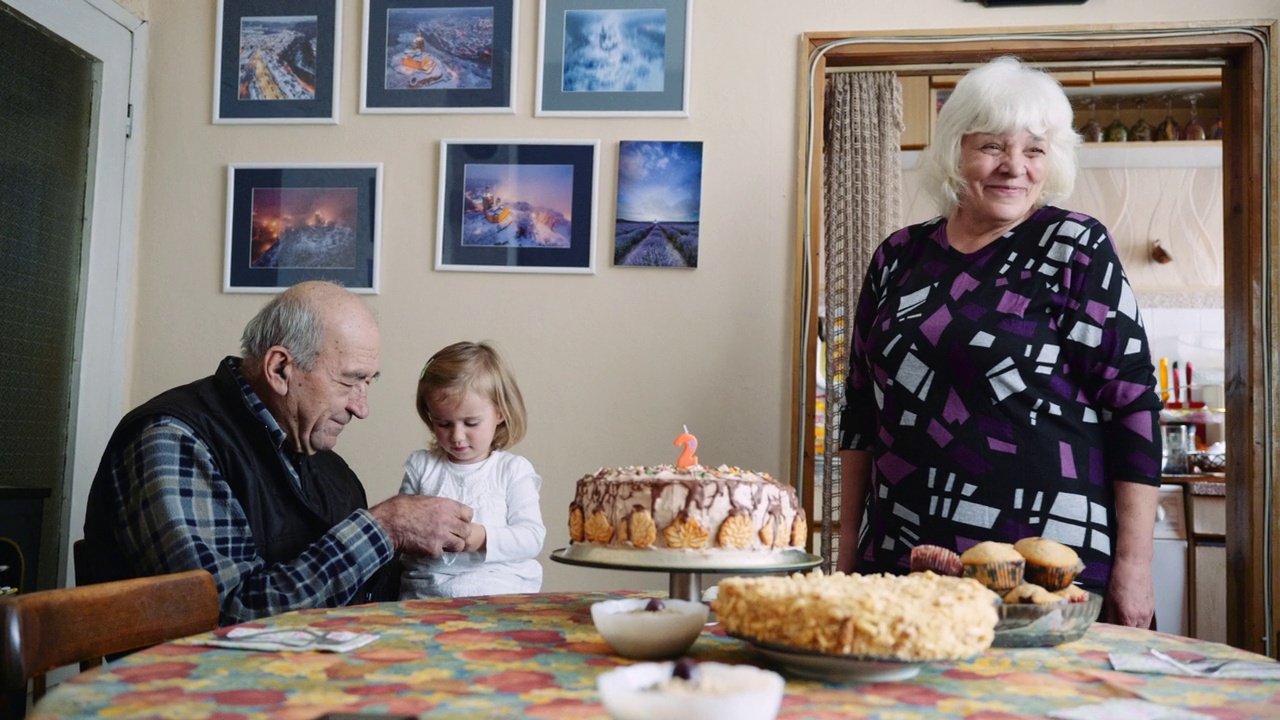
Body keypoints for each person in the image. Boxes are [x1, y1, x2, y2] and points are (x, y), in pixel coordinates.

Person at [835, 57, 1162, 629]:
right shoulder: (897, 257)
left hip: (1042, 567)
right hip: (902, 555)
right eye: (991, 146)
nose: (1014, 167)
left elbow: (1131, 408)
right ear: (955, 151)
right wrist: (846, 555)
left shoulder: (1074, 247)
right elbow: (861, 412)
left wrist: (1134, 568)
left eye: (1034, 150)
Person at [83, 281, 475, 625]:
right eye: (350, 381)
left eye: (369, 383)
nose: (362, 407)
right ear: (280, 369)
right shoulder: (172, 440)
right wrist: (384, 529)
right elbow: (225, 618)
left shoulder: (326, 465)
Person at [399, 341, 545, 598]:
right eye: (443, 423)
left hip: (498, 589)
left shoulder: (512, 471)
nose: (457, 436)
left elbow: (531, 537)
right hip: (429, 591)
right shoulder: (421, 467)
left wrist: (481, 537)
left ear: (500, 413)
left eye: (471, 423)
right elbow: (402, 530)